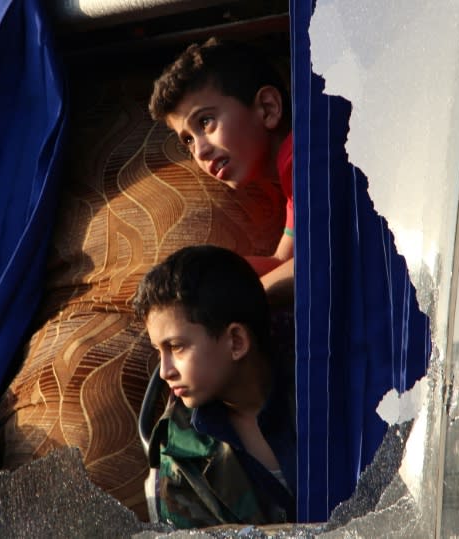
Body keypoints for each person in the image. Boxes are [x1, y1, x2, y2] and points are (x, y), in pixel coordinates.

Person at [132, 245, 295, 528]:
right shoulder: (181, 451)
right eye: (160, 351)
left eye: (176, 347)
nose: (165, 372)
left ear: (236, 342)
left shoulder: (324, 393)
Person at [148, 38, 294, 307]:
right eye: (188, 140)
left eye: (205, 121)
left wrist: (237, 302)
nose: (199, 152)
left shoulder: (302, 159)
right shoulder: (293, 179)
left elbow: (321, 261)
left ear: (268, 108)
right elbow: (283, 261)